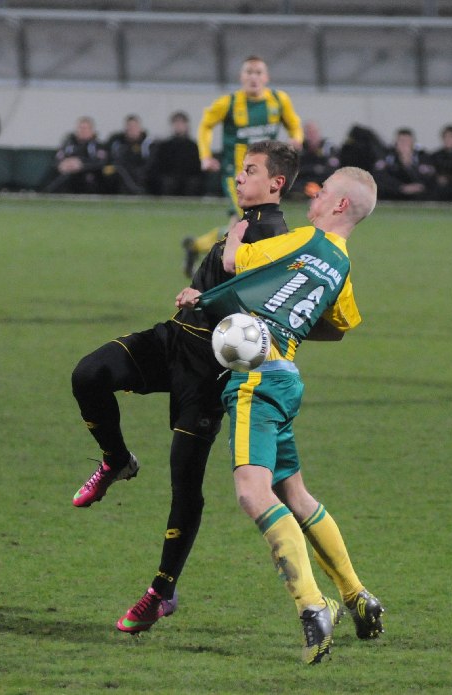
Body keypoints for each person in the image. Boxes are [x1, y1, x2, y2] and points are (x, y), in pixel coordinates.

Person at [70, 141, 299, 634]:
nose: (239, 178)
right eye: (240, 170)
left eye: (251, 171)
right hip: (175, 338)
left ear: (276, 183)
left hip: (209, 372)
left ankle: (161, 592)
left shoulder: (275, 235)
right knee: (89, 374)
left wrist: (209, 292)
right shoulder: (243, 223)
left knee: (184, 484)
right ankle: (115, 460)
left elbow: (259, 302)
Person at [177, 167, 385, 665]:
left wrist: (228, 247)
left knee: (253, 493)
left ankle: (313, 605)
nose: (312, 198)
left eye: (322, 193)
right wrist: (288, 320)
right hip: (286, 376)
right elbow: (340, 326)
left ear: (338, 207)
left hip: (257, 378)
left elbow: (235, 264)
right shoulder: (340, 264)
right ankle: (358, 596)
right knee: (294, 493)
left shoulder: (304, 239)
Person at [181, 55, 303, 277]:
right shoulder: (229, 103)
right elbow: (206, 124)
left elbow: (294, 124)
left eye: (258, 72)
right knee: (245, 224)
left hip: (266, 177)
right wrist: (205, 155)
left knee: (241, 226)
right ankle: (233, 273)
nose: (253, 77)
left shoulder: (278, 100)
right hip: (237, 174)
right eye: (249, 72)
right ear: (241, 77)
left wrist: (296, 139)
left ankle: (197, 247)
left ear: (266, 77)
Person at [43, 116, 107, 194]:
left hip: (87, 175)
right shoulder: (68, 143)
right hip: (67, 173)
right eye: (80, 128)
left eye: (86, 128)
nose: (83, 131)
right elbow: (58, 158)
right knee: (55, 173)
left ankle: (45, 193)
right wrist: (63, 164)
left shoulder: (98, 146)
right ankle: (45, 193)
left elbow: (101, 163)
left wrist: (81, 165)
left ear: (92, 130)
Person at [148, 110, 204, 196]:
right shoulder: (165, 146)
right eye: (176, 123)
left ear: (186, 125)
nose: (179, 126)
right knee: (167, 182)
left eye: (181, 123)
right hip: (170, 177)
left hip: (188, 178)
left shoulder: (193, 146)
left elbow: (197, 166)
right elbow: (160, 165)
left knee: (193, 183)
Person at [374, 127, 433, 201]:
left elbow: (430, 177)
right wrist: (401, 187)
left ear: (413, 143)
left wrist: (409, 164)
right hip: (394, 193)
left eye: (407, 141)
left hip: (418, 195)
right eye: (401, 141)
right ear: (396, 143)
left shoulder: (422, 156)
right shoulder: (387, 156)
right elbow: (379, 176)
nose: (404, 144)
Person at [102, 114, 152, 195]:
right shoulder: (117, 141)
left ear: (140, 128)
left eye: (134, 127)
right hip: (118, 171)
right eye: (129, 127)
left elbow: (149, 162)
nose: (131, 129)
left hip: (138, 173)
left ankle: (137, 192)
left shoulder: (147, 144)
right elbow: (107, 155)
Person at [291, 119, 340, 198]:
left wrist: (310, 169)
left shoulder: (328, 147)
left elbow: (332, 169)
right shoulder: (300, 148)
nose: (312, 136)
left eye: (314, 132)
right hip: (305, 182)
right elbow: (295, 170)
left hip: (323, 181)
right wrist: (315, 168)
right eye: (309, 133)